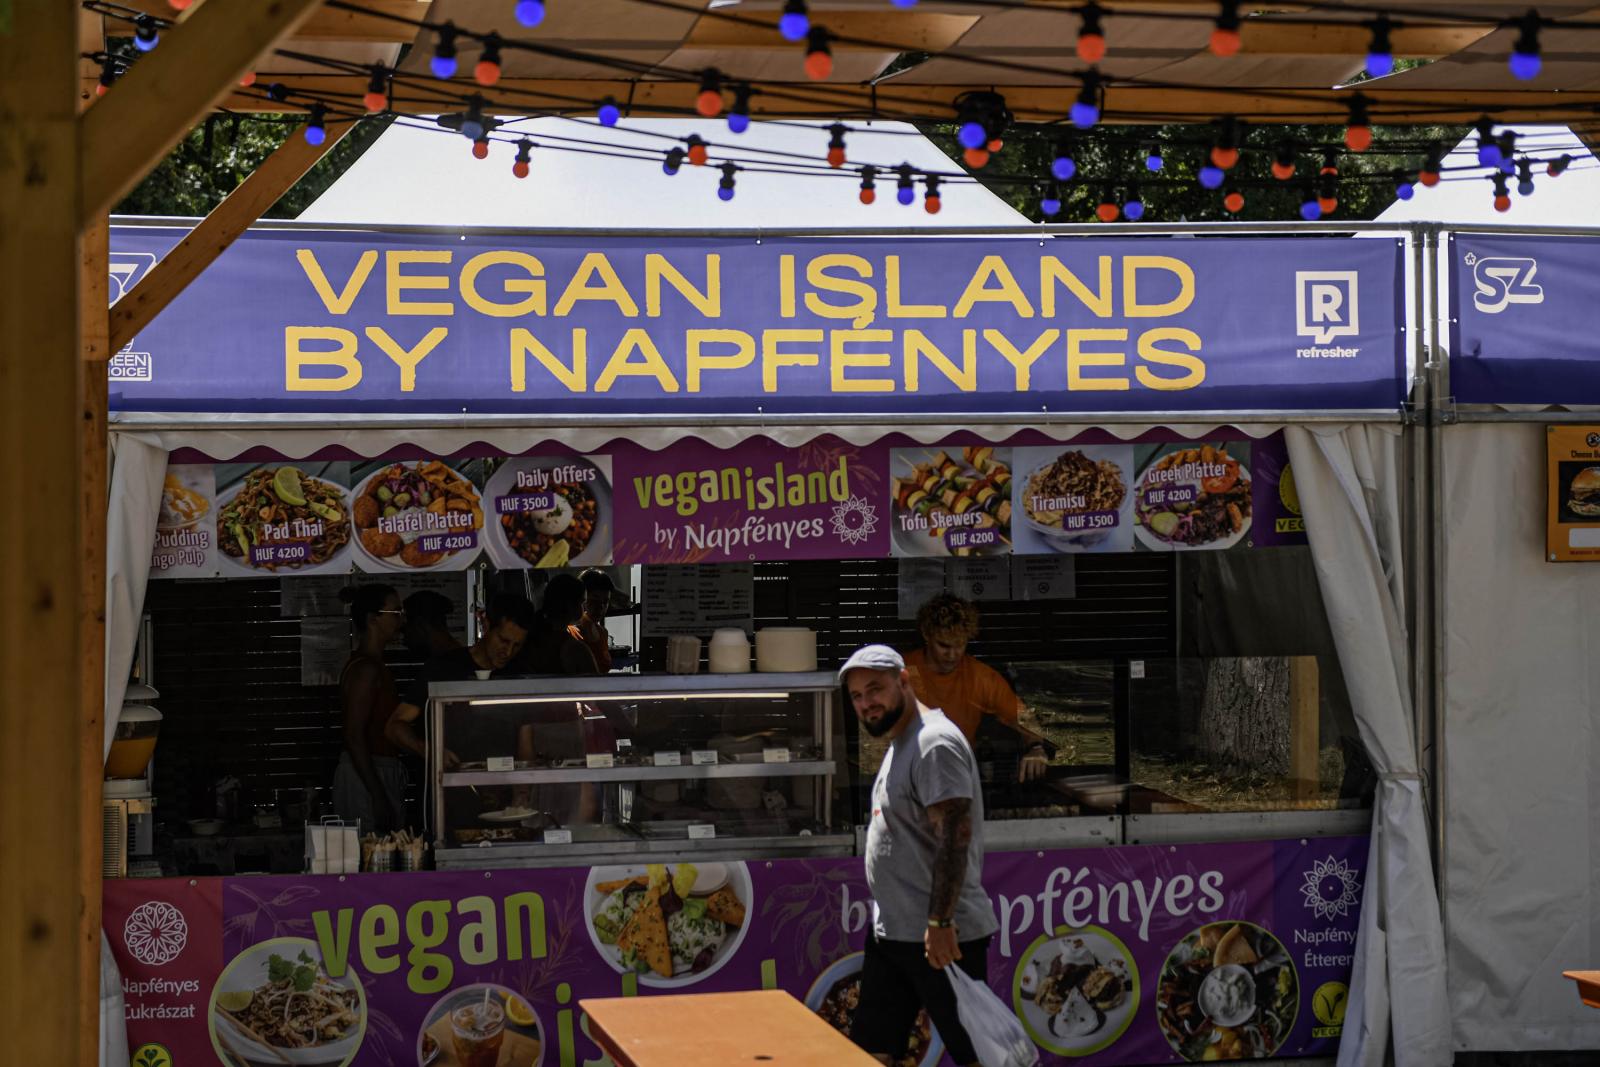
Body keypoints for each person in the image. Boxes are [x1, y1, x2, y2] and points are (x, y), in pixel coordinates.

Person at [839, 644, 997, 1067]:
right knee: (871, 1053)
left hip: (940, 938)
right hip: (894, 933)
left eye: (875, 689)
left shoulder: (933, 742)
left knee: (976, 1055)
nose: (866, 703)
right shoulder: (902, 742)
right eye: (857, 696)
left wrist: (940, 923)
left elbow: (955, 835)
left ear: (904, 680)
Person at [906, 593, 1052, 783]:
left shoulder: (980, 677)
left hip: (958, 775)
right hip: (908, 774)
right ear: (927, 635)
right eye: (944, 645)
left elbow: (1025, 719)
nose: (952, 655)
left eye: (960, 645)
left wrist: (1036, 748)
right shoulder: (903, 671)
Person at [384, 592, 538, 765]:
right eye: (503, 640)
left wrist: (527, 778)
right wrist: (429, 750)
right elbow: (395, 726)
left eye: (517, 645)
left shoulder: (520, 676)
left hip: (503, 777)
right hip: (451, 776)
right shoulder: (444, 668)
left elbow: (526, 742)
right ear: (486, 625)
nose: (508, 652)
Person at [332, 585, 407, 833]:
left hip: (377, 769)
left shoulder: (375, 665)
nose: (401, 620)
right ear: (372, 619)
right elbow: (354, 735)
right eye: (395, 613)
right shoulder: (366, 669)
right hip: (366, 773)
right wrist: (377, 794)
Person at [571, 568, 618, 672]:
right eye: (594, 600)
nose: (600, 607)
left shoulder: (602, 633)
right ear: (581, 599)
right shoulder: (571, 633)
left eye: (605, 602)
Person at [402, 589, 460, 659]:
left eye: (404, 629)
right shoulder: (462, 657)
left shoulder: (444, 663)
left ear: (421, 624)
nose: (404, 640)